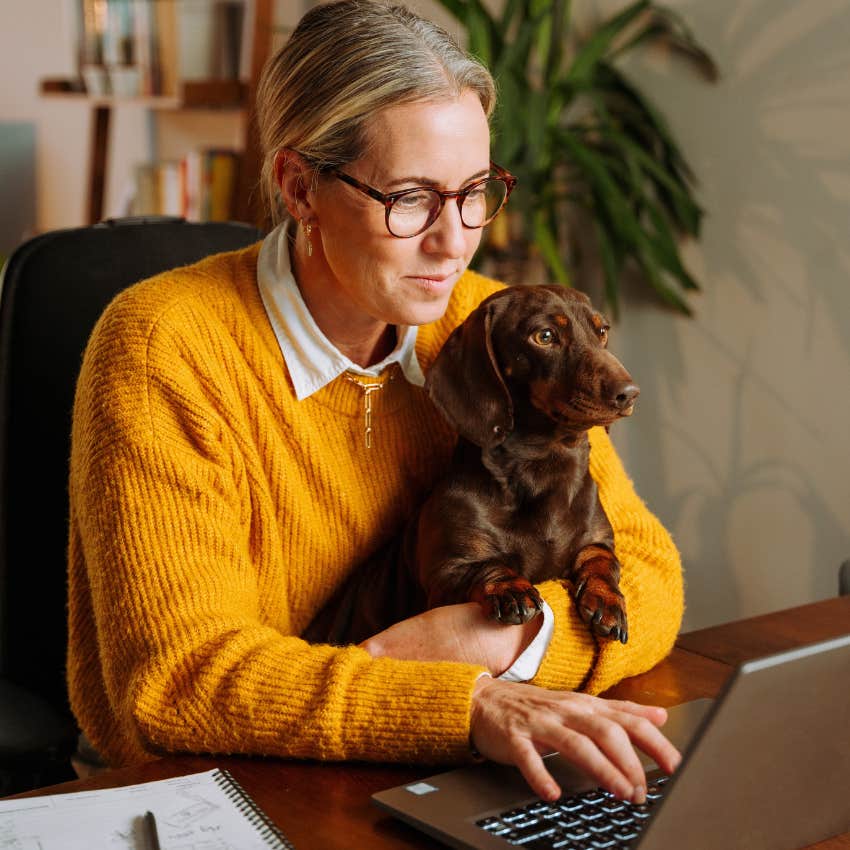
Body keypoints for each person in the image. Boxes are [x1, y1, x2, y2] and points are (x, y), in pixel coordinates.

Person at [66, 0, 684, 805]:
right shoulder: (165, 346)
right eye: (411, 198)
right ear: (299, 186)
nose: (454, 240)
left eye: (474, 192)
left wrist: (495, 642)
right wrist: (461, 700)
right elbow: (181, 680)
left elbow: (651, 576)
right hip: (214, 791)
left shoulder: (489, 330)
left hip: (428, 776)